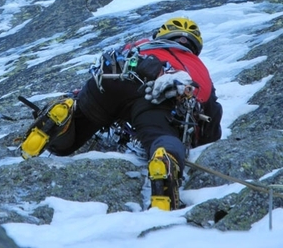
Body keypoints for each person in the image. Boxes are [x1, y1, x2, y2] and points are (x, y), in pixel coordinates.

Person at [20, 16, 223, 210]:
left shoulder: (141, 45)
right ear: (195, 46)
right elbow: (210, 124)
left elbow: (108, 62)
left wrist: (81, 96)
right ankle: (164, 159)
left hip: (111, 81)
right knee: (160, 136)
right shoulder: (199, 70)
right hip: (157, 97)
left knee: (71, 138)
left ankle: (67, 112)